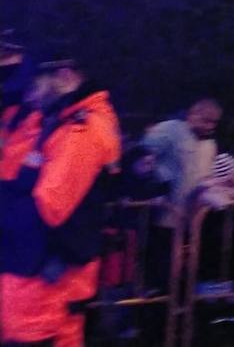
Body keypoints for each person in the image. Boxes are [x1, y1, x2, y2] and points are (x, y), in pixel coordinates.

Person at [0, 55, 120, 347]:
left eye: (35, 87)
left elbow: (47, 208)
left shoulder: (83, 130)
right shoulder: (67, 121)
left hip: (43, 274)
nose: (30, 97)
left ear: (65, 77)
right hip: (42, 270)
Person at [142, 98, 223, 213]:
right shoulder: (169, 129)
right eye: (206, 120)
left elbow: (207, 175)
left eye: (214, 122)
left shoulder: (210, 144)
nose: (210, 126)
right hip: (165, 210)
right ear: (193, 115)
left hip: (194, 213)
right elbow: (143, 156)